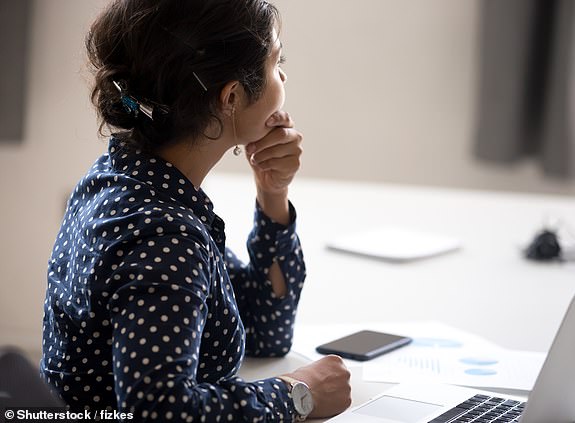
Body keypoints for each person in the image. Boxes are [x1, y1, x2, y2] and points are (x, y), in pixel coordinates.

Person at [40, 0, 351, 421]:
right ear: (232, 97)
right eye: (277, 63)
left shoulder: (129, 179)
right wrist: (297, 394)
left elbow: (264, 330)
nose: (283, 77)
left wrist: (272, 193)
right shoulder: (164, 235)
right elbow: (162, 413)